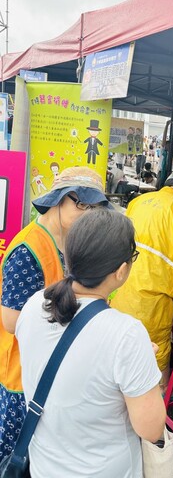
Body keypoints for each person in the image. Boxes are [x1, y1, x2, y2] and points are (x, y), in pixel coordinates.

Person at [15, 210, 165, 477]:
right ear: (121, 271)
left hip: (43, 466)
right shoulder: (126, 335)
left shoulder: (35, 303)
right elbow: (151, 430)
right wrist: (145, 367)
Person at [0, 166, 112, 465]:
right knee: (15, 459)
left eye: (95, 208)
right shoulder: (28, 249)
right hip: (21, 375)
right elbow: (11, 322)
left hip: (48, 370)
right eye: (82, 205)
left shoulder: (68, 242)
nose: (88, 214)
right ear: (60, 199)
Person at [110, 168, 173, 391]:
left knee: (119, 346)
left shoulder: (139, 201)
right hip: (154, 299)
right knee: (156, 351)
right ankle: (159, 401)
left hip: (121, 288)